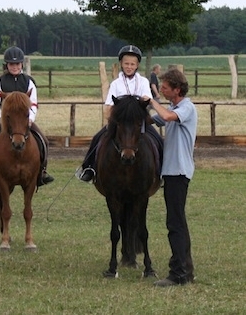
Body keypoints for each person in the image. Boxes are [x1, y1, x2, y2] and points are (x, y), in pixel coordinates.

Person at [0, 46, 54, 186]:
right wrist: (0, 118)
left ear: (21, 64)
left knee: (44, 140)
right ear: (6, 65)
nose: (14, 67)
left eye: (17, 64)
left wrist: (30, 119)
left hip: (23, 121)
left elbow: (33, 104)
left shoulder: (29, 82)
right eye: (11, 64)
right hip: (4, 119)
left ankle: (42, 171)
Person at [143, 68, 197, 287]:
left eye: (165, 87)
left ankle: (178, 274)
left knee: (175, 223)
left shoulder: (186, 108)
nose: (162, 90)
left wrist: (151, 100)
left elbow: (165, 116)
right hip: (172, 172)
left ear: (177, 89)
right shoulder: (175, 106)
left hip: (179, 172)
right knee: (178, 222)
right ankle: (186, 270)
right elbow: (153, 120)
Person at [77, 45, 159, 182]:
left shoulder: (144, 82)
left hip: (138, 123)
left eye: (132, 64)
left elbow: (147, 101)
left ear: (137, 65)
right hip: (120, 123)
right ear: (121, 63)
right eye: (126, 63)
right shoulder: (116, 84)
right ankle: (89, 168)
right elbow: (109, 105)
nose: (129, 66)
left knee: (157, 139)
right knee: (97, 138)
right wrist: (112, 118)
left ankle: (161, 170)